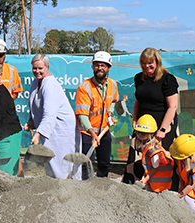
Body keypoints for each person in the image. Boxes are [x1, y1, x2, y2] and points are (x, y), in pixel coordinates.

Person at [122, 47, 179, 186]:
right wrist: (134, 119)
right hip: (142, 126)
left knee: (162, 159)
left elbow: (173, 106)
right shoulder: (139, 78)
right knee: (136, 158)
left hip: (162, 124)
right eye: (144, 63)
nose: (147, 66)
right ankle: (136, 185)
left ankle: (166, 189)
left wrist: (163, 129)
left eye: (150, 63)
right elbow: (138, 101)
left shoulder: (167, 79)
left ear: (157, 62)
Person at [25, 54, 81, 179]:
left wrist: (38, 134)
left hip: (61, 129)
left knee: (61, 162)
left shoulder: (50, 84)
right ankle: (56, 186)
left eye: (40, 68)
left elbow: (49, 114)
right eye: (35, 68)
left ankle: (68, 188)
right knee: (50, 161)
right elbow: (33, 103)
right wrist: (31, 121)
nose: (37, 71)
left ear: (47, 67)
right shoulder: (36, 82)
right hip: (49, 128)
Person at [75, 51, 119, 179]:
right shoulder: (85, 87)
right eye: (97, 65)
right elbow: (82, 115)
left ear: (108, 68)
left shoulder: (113, 85)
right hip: (87, 133)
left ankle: (101, 188)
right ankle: (87, 190)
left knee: (104, 163)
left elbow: (114, 100)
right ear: (93, 66)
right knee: (87, 165)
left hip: (103, 132)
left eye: (103, 65)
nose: (99, 68)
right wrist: (93, 134)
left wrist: (110, 113)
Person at [134, 115, 174, 193]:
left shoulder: (153, 150)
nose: (139, 135)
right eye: (137, 132)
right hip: (152, 177)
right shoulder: (144, 144)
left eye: (143, 133)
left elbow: (155, 167)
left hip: (158, 181)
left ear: (151, 134)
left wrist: (145, 179)